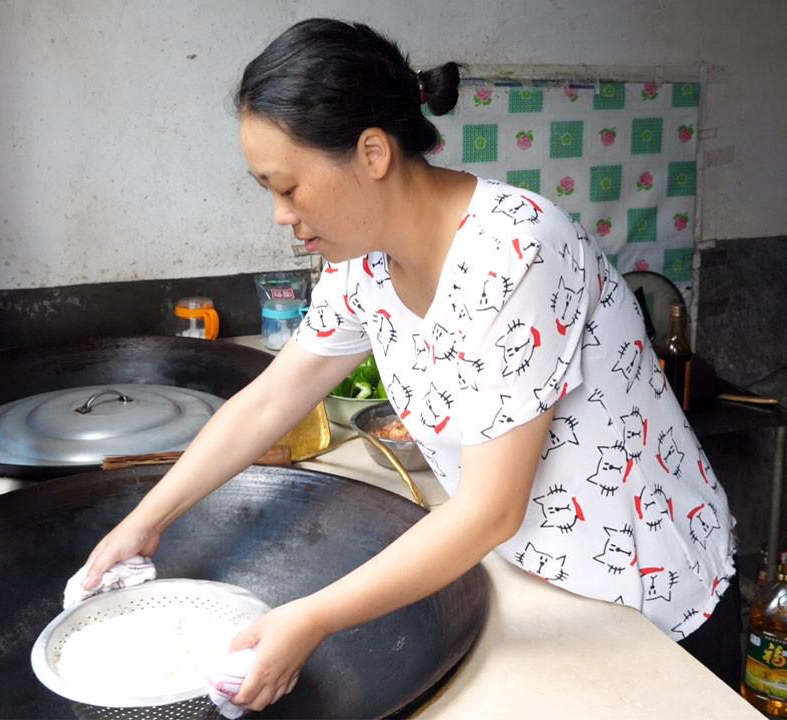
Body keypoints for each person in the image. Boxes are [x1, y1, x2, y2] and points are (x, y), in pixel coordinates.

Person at [81, 18, 740, 711]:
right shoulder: (361, 261)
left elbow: (490, 509)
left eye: (288, 187)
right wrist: (147, 520)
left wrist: (309, 619)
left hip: (650, 609)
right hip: (539, 588)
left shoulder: (516, 251)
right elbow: (270, 399)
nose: (279, 214)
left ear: (372, 153)